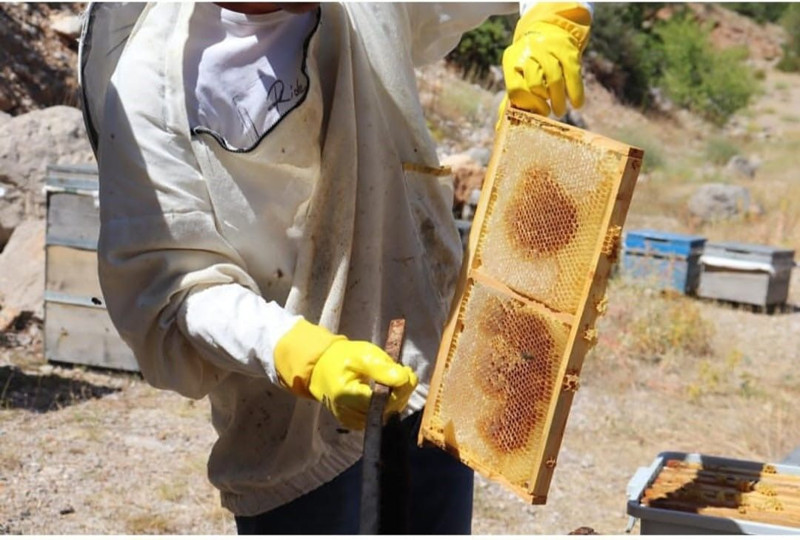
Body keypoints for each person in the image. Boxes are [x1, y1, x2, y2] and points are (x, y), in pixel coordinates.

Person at [79, 1, 591, 534]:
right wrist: (300, 354)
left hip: (429, 365)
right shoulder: (150, 90)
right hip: (288, 422)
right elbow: (177, 284)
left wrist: (555, 17)